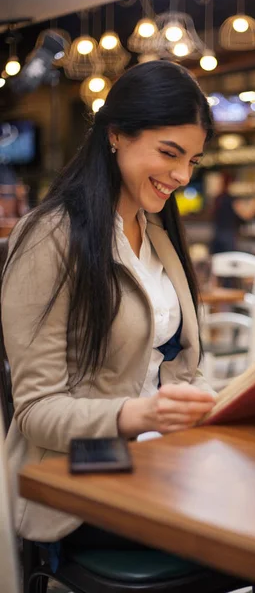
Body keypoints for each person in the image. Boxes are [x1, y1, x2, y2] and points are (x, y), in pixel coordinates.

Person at [2, 61, 217, 550]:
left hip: (159, 464)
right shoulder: (48, 238)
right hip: (75, 490)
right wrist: (140, 416)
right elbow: (36, 410)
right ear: (116, 134)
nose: (182, 176)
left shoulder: (160, 232)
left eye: (194, 161)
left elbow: (178, 371)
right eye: (170, 153)